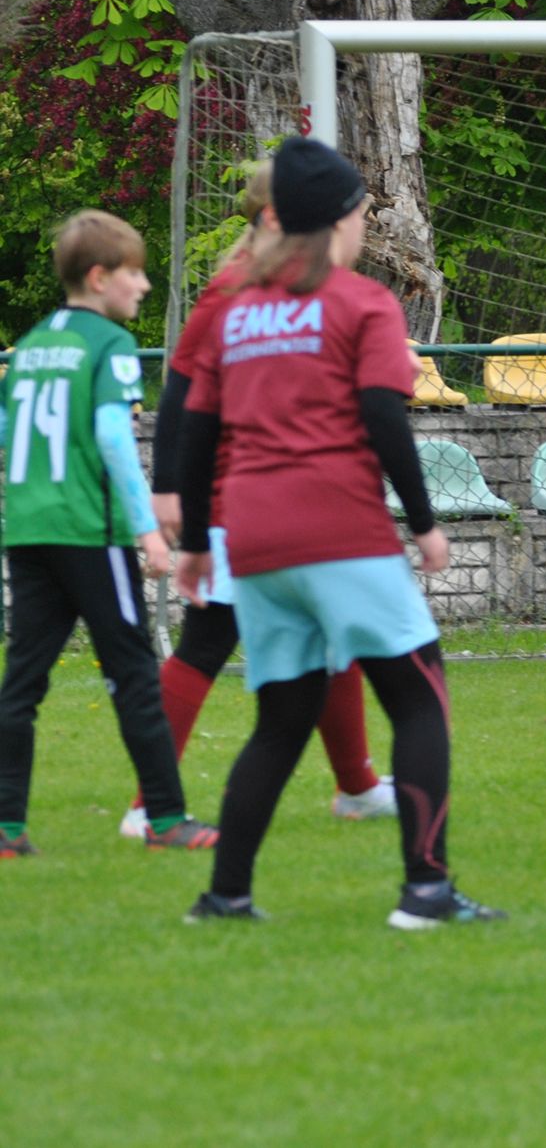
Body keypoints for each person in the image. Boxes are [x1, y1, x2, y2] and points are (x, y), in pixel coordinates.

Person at [176, 136, 502, 929]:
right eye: (361, 213)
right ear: (337, 223)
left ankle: (226, 896)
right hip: (338, 531)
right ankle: (426, 891)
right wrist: (424, 524)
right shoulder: (361, 303)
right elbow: (384, 418)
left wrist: (193, 544)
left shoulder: (238, 310)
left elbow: (195, 430)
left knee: (282, 719)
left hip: (250, 541)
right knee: (420, 699)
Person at [135, 161, 395, 840]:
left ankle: (358, 785)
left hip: (260, 496)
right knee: (206, 645)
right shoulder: (235, 289)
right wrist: (169, 491)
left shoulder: (276, 284)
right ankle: (148, 804)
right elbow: (182, 393)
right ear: (279, 219)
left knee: (328, 637)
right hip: (233, 497)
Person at [0, 210, 220, 856]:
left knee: (22, 682)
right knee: (134, 674)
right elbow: (112, 440)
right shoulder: (109, 346)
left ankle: (7, 827)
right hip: (88, 535)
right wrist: (147, 530)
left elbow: (12, 436)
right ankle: (165, 818)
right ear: (99, 278)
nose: (145, 285)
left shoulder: (32, 342)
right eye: (134, 272)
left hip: (28, 528)